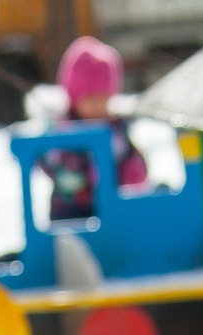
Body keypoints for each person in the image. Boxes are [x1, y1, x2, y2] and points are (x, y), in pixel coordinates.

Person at [43, 36, 146, 223]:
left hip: (112, 211)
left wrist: (133, 172)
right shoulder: (65, 130)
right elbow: (49, 160)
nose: (98, 105)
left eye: (103, 97)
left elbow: (131, 159)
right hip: (72, 213)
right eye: (90, 98)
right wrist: (74, 170)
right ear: (74, 98)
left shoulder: (116, 129)